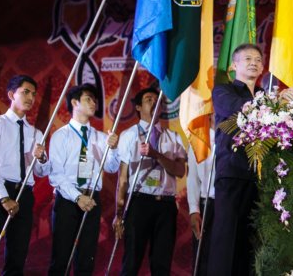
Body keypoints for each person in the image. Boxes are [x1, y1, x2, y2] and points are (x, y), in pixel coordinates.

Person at [47, 84, 119, 276]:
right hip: (67, 199)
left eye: (95, 100)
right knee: (61, 257)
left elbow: (111, 167)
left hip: (92, 198)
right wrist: (77, 197)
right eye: (88, 99)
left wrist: (113, 149)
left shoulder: (101, 137)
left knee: (86, 258)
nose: (93, 103)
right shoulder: (61, 135)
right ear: (74, 102)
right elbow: (56, 175)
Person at [113, 87, 186, 276]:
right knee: (131, 261)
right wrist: (119, 213)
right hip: (139, 202)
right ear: (138, 107)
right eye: (148, 99)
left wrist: (156, 155)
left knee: (161, 263)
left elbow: (180, 171)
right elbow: (123, 178)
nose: (154, 102)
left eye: (157, 100)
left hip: (166, 205)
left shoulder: (173, 137)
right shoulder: (129, 135)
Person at [209, 43, 264, 276]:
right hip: (232, 173)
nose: (254, 63)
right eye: (248, 59)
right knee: (226, 238)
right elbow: (234, 108)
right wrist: (269, 106)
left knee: (250, 242)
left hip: (260, 178)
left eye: (258, 60)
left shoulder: (264, 95)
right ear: (234, 65)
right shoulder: (223, 91)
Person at [0, 74, 49, 275]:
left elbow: (41, 171)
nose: (31, 98)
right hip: (0, 192)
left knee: (18, 253)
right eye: (25, 92)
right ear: (11, 95)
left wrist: (41, 158)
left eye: (33, 94)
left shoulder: (36, 133)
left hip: (24, 193)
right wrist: (3, 197)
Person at [187, 119, 215, 275]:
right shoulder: (199, 138)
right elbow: (192, 177)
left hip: (230, 204)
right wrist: (194, 209)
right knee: (203, 258)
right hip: (208, 206)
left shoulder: (236, 134)